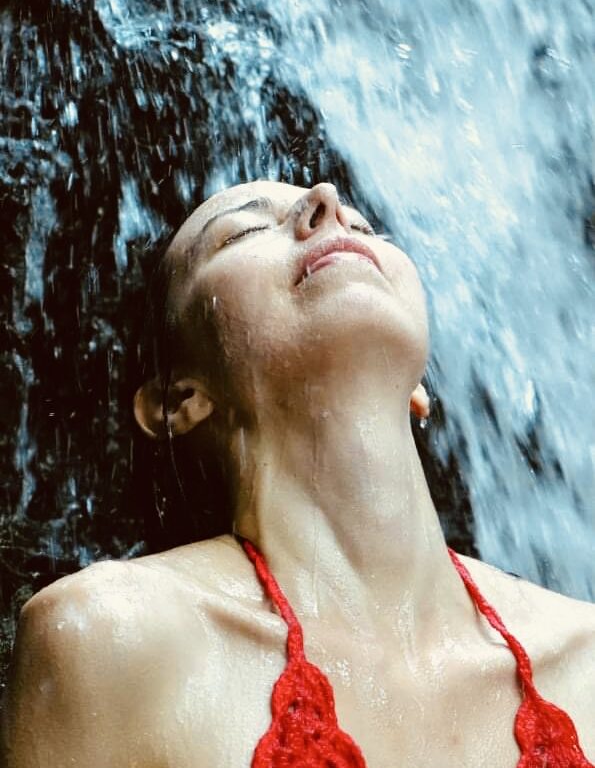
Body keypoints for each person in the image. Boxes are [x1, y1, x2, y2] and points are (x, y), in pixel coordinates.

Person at [1, 180, 594, 767]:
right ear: (178, 400)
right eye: (245, 230)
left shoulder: (587, 652)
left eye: (362, 227)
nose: (328, 202)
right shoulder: (110, 639)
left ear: (419, 388)